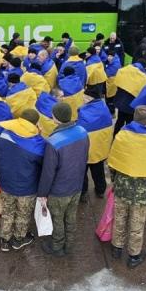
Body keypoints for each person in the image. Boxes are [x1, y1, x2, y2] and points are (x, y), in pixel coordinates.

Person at [102, 106, 146, 268]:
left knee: (120, 219)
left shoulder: (122, 135)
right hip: (141, 196)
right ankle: (134, 255)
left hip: (121, 190)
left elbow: (113, 162)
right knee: (137, 225)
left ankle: (116, 247)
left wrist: (115, 181)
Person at [37, 102, 89, 257]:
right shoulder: (82, 131)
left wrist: (42, 193)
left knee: (57, 219)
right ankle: (69, 243)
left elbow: (48, 172)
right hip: (76, 185)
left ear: (55, 118)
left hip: (59, 190)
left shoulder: (53, 142)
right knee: (71, 216)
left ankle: (57, 246)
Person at [0, 109, 44, 252]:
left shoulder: (4, 134)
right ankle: (19, 239)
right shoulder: (38, 143)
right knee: (23, 214)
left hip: (6, 182)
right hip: (27, 187)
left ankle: (5, 239)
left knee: (7, 211)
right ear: (35, 124)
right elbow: (42, 162)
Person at [77, 90, 113, 200]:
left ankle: (83, 193)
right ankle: (100, 190)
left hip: (85, 150)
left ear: (89, 98)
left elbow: (79, 129)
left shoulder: (83, 111)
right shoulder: (104, 109)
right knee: (98, 171)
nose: (83, 99)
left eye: (84, 96)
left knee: (82, 173)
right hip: (99, 150)